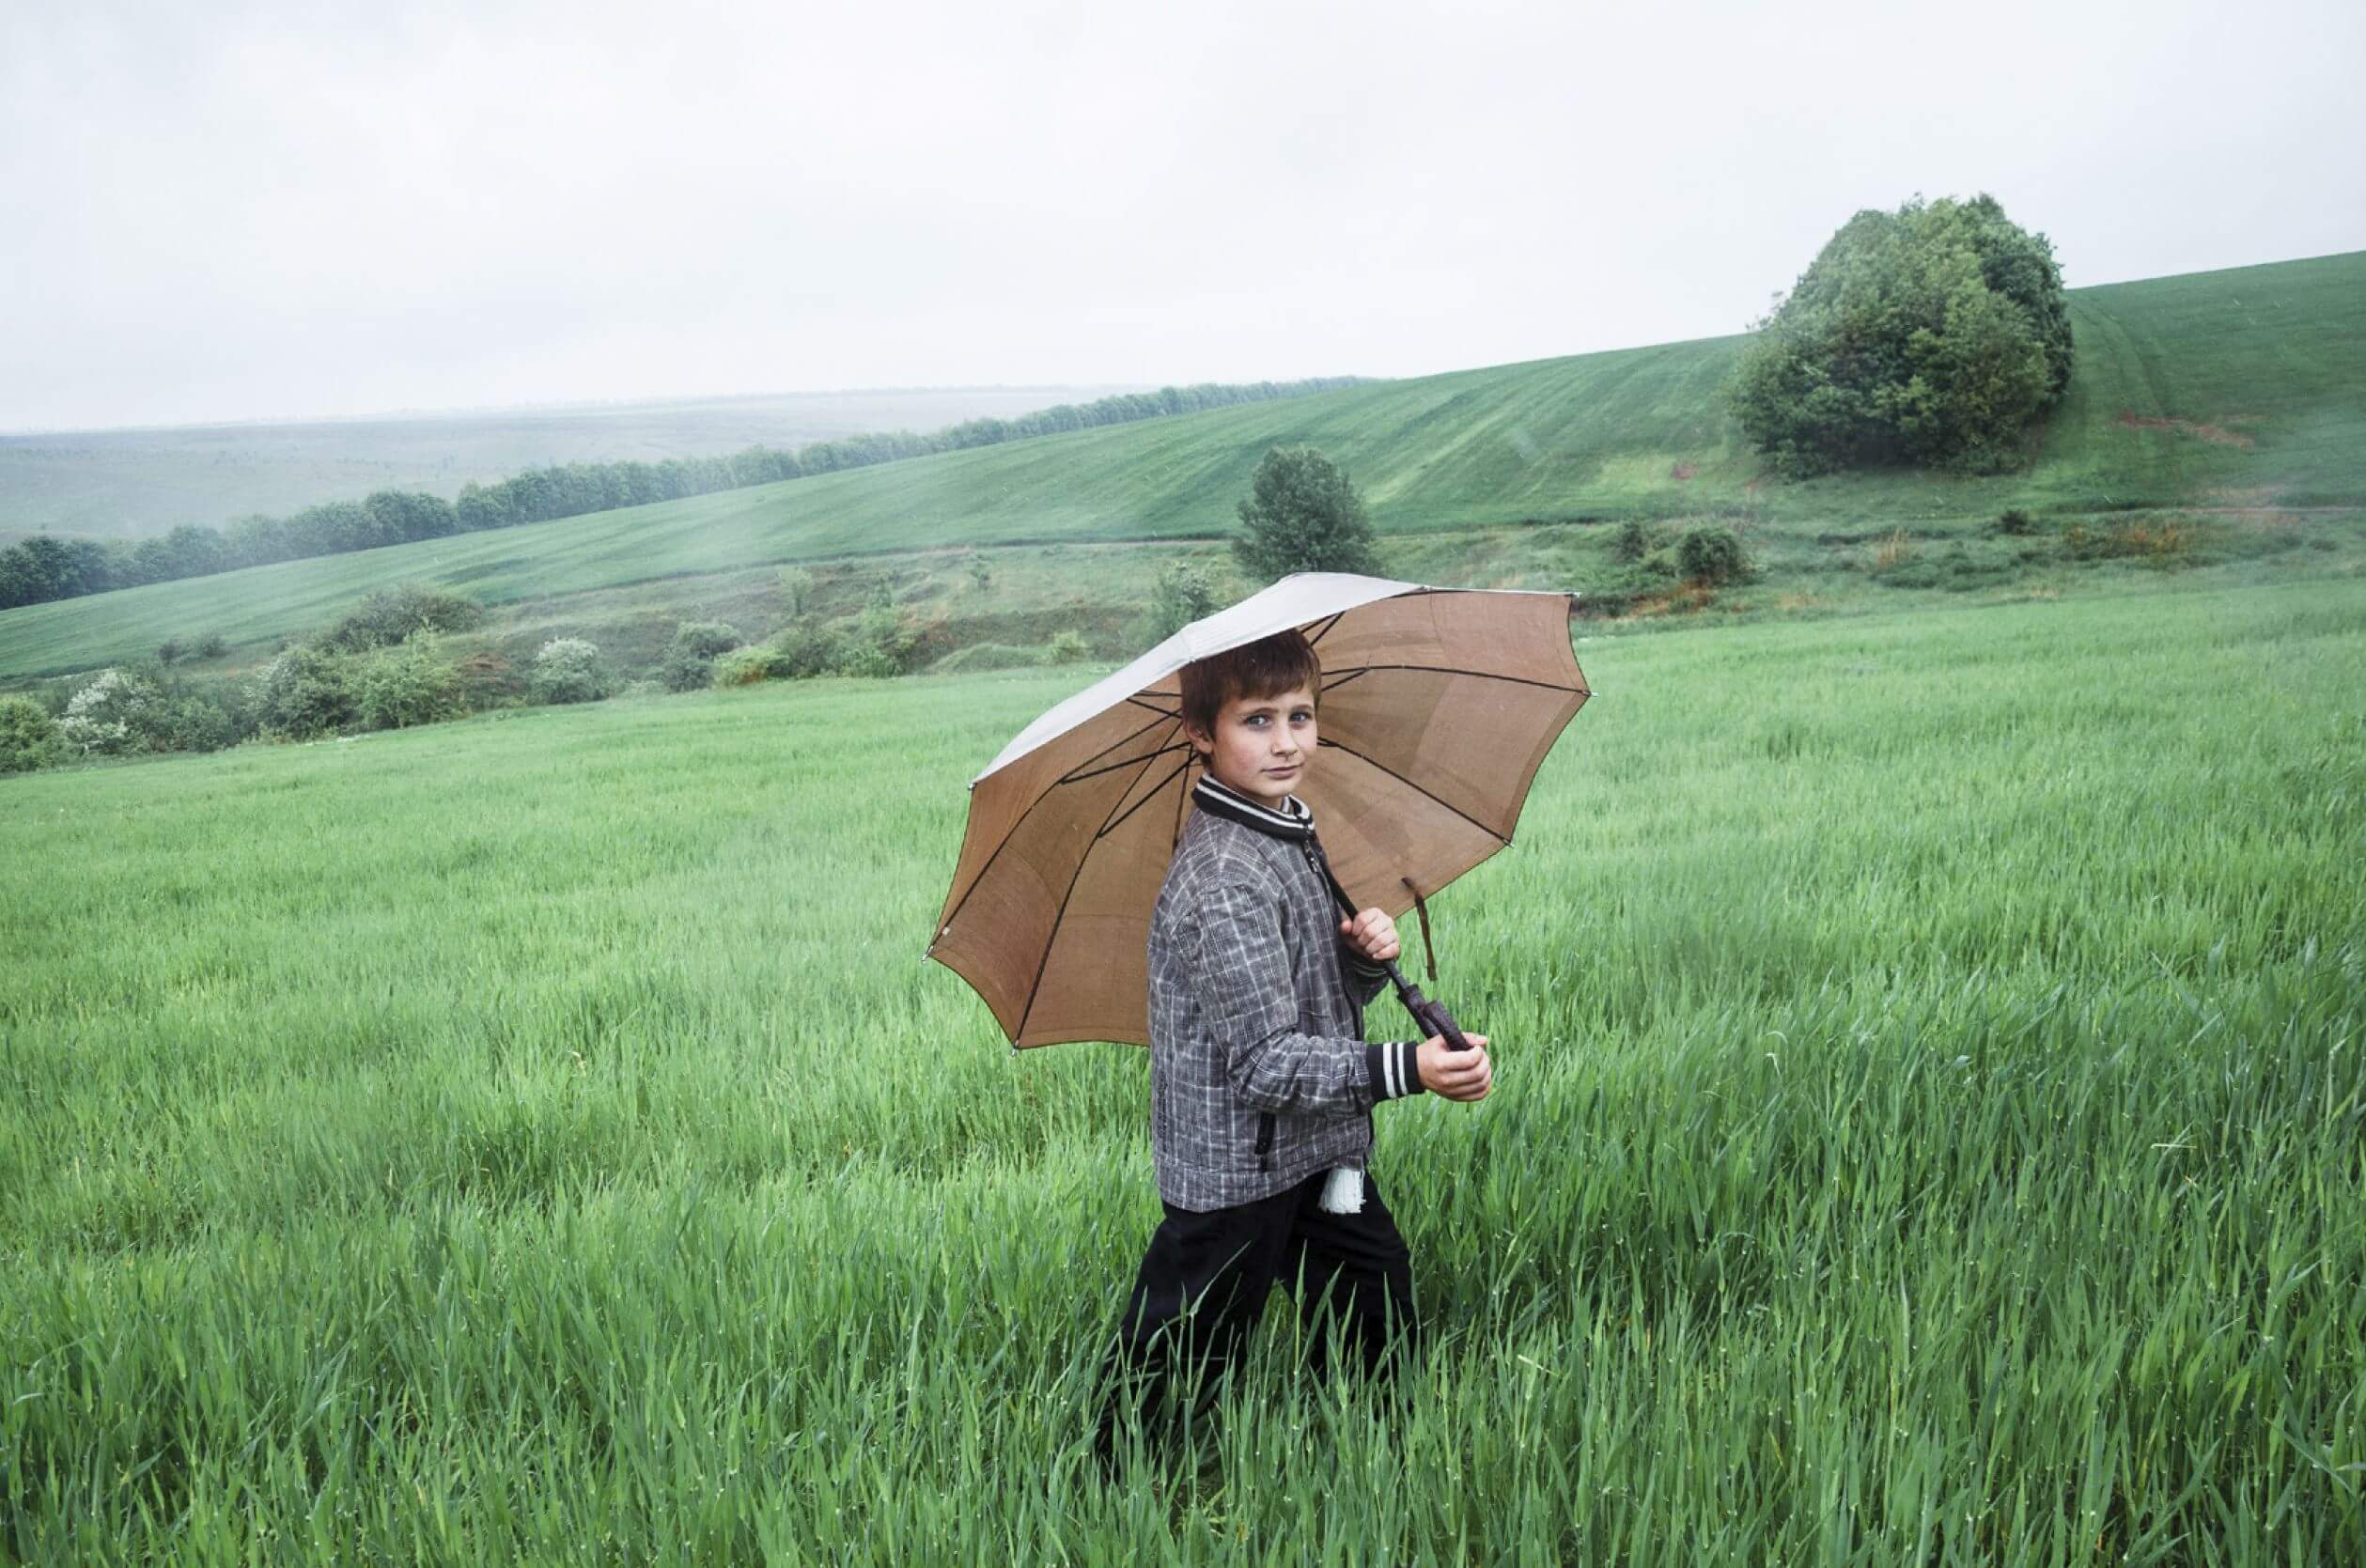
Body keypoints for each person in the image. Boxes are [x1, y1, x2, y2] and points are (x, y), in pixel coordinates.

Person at [1093, 628, 1493, 1469]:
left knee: (1373, 1297)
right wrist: (1410, 1068)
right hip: (1240, 1167)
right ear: (1201, 731)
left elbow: (1317, 1004)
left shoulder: (1286, 832)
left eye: (1301, 716)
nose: (1286, 742)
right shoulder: (1222, 879)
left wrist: (1357, 957)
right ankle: (1114, 1476)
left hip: (1312, 1150)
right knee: (1187, 1343)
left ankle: (1366, 1452)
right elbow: (1268, 1062)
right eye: (1257, 720)